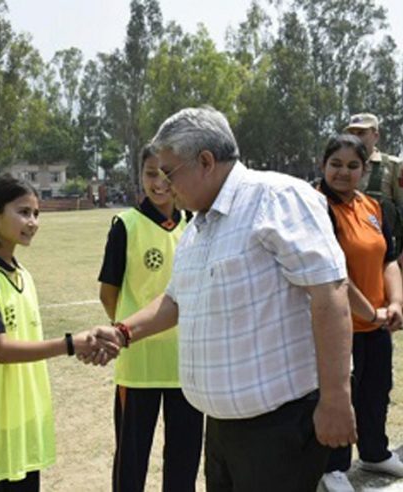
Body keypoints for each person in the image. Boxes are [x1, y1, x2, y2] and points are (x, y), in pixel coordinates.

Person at [88, 107, 356, 492]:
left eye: (169, 171)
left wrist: (335, 399)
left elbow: (329, 294)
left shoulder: (276, 199)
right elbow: (176, 300)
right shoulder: (198, 226)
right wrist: (123, 332)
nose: (164, 184)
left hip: (278, 429)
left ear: (206, 162)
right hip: (221, 428)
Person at [0, 175, 112, 491]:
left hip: (20, 426)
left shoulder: (22, 276)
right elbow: (2, 350)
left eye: (36, 214)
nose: (32, 222)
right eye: (23, 212)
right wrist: (70, 344)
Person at [98, 144, 202, 492]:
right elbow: (108, 293)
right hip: (139, 365)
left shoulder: (194, 224)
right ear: (140, 176)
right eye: (150, 173)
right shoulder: (126, 225)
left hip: (186, 364)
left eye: (167, 173)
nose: (159, 182)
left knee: (184, 455)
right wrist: (136, 330)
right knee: (131, 457)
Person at [317, 134, 403, 492]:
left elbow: (388, 259)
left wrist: (395, 303)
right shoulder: (318, 207)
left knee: (376, 389)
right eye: (335, 164)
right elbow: (331, 272)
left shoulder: (373, 207)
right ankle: (332, 467)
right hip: (338, 326)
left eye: (353, 166)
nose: (343, 172)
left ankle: (374, 451)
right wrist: (370, 312)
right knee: (342, 396)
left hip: (376, 323)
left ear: (366, 170)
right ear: (323, 165)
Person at [344, 113, 403, 255]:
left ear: (376, 136)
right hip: (347, 249)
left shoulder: (394, 166)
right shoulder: (340, 167)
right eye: (352, 133)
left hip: (386, 252)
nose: (356, 138)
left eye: (361, 133)